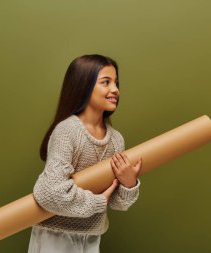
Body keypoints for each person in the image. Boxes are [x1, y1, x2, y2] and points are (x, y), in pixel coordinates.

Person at [27, 54, 143, 253]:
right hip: (56, 236)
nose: (115, 89)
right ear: (84, 86)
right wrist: (98, 202)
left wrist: (129, 183)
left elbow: (118, 203)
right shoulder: (68, 131)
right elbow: (48, 193)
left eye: (116, 82)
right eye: (105, 82)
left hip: (91, 237)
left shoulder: (116, 140)